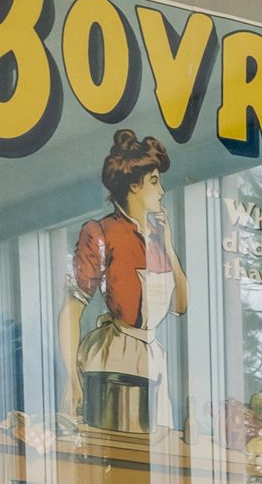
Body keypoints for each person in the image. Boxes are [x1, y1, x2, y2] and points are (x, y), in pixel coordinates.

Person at [66, 130, 180, 432]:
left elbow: (180, 305)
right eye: (154, 181)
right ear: (133, 185)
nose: (162, 190)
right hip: (115, 361)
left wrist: (168, 244)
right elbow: (71, 311)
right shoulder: (102, 232)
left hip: (153, 359)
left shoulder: (156, 240)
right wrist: (71, 378)